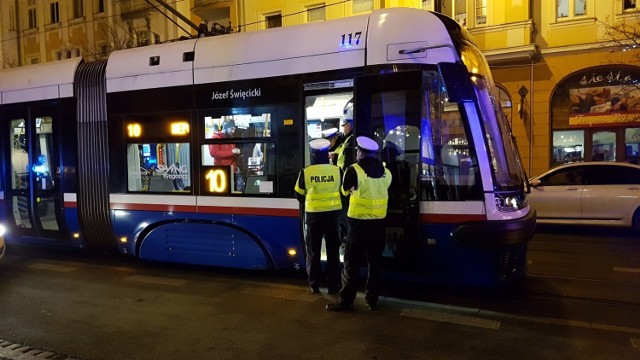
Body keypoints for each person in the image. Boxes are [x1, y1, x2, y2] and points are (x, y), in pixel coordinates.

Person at [326, 136, 392, 312]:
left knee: (351, 263)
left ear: (361, 153)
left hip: (358, 225)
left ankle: (346, 301)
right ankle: (372, 300)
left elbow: (344, 191)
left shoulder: (354, 170)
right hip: (379, 224)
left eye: (357, 151)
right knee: (375, 263)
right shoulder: (386, 172)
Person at [294, 139, 343, 294]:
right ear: (327, 154)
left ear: (312, 154)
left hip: (314, 217)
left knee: (313, 252)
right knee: (333, 253)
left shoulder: (306, 172)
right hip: (333, 216)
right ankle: (333, 285)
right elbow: (344, 192)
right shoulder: (337, 171)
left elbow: (298, 194)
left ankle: (314, 285)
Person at [209, 120, 242, 189]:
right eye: (232, 129)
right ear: (226, 128)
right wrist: (232, 152)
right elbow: (213, 153)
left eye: (234, 129)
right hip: (222, 171)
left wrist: (236, 152)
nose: (233, 132)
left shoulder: (230, 138)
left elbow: (232, 153)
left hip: (233, 170)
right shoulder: (215, 138)